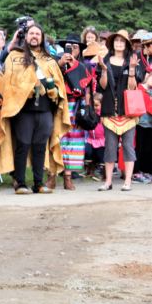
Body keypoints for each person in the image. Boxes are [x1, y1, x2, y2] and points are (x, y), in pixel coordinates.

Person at [0, 24, 70, 194]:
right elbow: (7, 82)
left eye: (38, 33)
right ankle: (20, 183)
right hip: (22, 111)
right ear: (26, 37)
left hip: (45, 110)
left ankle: (38, 183)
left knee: (40, 145)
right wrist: (28, 87)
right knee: (22, 144)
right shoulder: (14, 57)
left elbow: (59, 85)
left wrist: (54, 91)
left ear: (42, 38)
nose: (34, 36)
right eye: (31, 33)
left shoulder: (49, 60)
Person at [96, 30, 143, 191]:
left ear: (126, 45)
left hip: (128, 112)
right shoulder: (105, 61)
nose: (119, 43)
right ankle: (108, 181)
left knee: (128, 147)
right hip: (109, 110)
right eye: (116, 41)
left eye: (122, 41)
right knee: (110, 147)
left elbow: (133, 87)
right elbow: (102, 86)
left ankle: (127, 181)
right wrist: (103, 69)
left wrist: (131, 69)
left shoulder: (131, 61)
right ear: (112, 44)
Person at [53, 34, 92, 191]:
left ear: (80, 50)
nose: (72, 50)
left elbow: (87, 89)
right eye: (69, 47)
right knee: (56, 139)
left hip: (75, 106)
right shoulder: (56, 63)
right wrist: (62, 64)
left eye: (75, 47)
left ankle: (68, 177)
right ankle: (52, 176)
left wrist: (87, 108)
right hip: (59, 105)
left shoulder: (83, 67)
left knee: (72, 142)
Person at [133, 72, 152, 183]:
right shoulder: (140, 88)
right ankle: (137, 172)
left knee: (149, 149)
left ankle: (148, 171)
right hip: (141, 123)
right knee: (139, 148)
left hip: (151, 124)